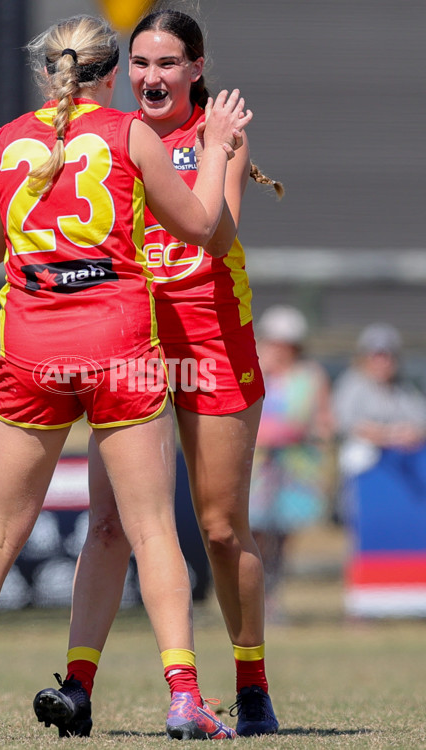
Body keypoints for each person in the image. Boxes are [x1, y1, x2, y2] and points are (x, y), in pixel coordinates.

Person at [0, 14, 253, 740]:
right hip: (119, 348)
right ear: (113, 73)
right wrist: (216, 151)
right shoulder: (132, 135)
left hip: (33, 355)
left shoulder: (4, 141)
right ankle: (184, 696)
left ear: (44, 73)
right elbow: (200, 226)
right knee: (152, 530)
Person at [33, 9, 282, 739]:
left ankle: (252, 683)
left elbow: (219, 231)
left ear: (196, 69)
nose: (151, 76)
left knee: (221, 528)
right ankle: (77, 686)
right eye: (140, 62)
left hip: (209, 343)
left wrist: (216, 149)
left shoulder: (218, 134)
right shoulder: (105, 133)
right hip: (130, 344)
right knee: (109, 524)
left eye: (168, 63)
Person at [248, 305, 333, 622]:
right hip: (256, 469)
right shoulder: (251, 370)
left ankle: (272, 598)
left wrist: (307, 435)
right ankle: (252, 597)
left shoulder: (311, 376)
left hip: (294, 471)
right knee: (253, 533)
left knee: (280, 538)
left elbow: (323, 421)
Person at [333, 322, 426, 482]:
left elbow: (421, 421)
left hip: (401, 461)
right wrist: (390, 435)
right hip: (366, 462)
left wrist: (414, 433)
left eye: (387, 356)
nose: (382, 362)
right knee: (357, 454)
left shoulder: (403, 388)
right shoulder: (352, 383)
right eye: (376, 356)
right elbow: (346, 424)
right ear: (364, 357)